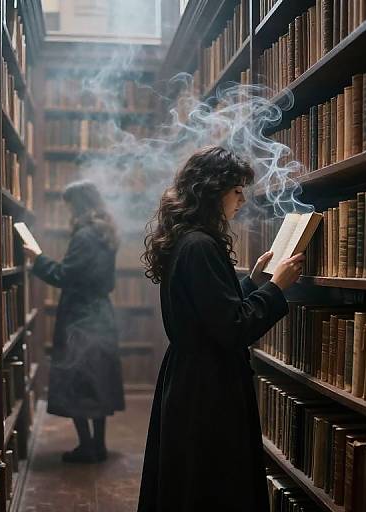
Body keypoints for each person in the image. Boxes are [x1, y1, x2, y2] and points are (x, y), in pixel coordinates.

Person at [138, 146, 304, 511]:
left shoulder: (190, 239)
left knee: (196, 482)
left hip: (193, 376)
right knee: (211, 485)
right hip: (207, 386)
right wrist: (276, 288)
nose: (242, 199)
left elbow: (210, 311)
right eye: (237, 190)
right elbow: (233, 328)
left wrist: (255, 281)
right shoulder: (200, 245)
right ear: (212, 190)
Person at [24, 180, 125, 464]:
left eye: (69, 205)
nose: (68, 211)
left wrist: (38, 259)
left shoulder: (84, 235)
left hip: (80, 316)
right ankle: (98, 445)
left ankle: (87, 447)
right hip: (101, 313)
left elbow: (65, 275)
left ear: (78, 204)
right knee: (97, 380)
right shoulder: (106, 233)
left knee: (77, 380)